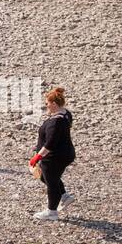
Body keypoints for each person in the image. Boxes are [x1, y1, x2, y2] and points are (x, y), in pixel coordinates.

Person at [30, 86, 77, 220]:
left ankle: (52, 212)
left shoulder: (55, 122)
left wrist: (38, 156)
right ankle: (64, 196)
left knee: (51, 181)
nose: (46, 106)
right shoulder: (66, 114)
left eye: (48, 104)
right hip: (67, 153)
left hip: (54, 157)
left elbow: (50, 144)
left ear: (54, 104)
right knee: (48, 178)